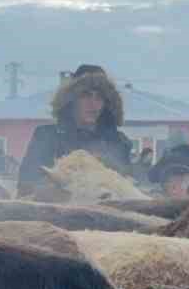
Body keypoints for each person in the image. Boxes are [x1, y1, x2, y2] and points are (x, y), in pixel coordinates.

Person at [17, 64, 132, 196]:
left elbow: (128, 188)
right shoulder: (47, 137)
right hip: (55, 214)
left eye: (99, 97)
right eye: (86, 95)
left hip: (107, 214)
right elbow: (25, 185)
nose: (93, 103)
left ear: (107, 103)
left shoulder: (118, 142)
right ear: (71, 99)